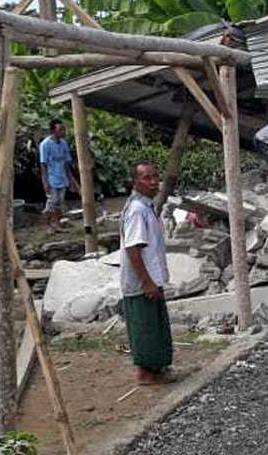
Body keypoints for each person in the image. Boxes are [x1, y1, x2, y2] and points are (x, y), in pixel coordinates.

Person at [120, 161, 174, 385]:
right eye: (147, 178)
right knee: (145, 328)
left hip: (151, 278)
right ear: (135, 182)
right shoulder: (137, 211)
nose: (154, 182)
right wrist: (147, 283)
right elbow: (133, 249)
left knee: (155, 325)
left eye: (155, 177)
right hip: (141, 282)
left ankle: (157, 369)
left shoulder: (146, 206)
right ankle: (145, 374)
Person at [39, 119, 78, 233]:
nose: (63, 132)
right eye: (60, 129)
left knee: (59, 203)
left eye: (63, 129)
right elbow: (43, 165)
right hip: (52, 179)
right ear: (53, 131)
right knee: (52, 203)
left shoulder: (64, 144)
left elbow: (66, 163)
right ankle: (50, 226)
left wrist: (71, 180)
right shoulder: (45, 145)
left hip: (62, 178)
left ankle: (56, 224)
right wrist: (45, 182)